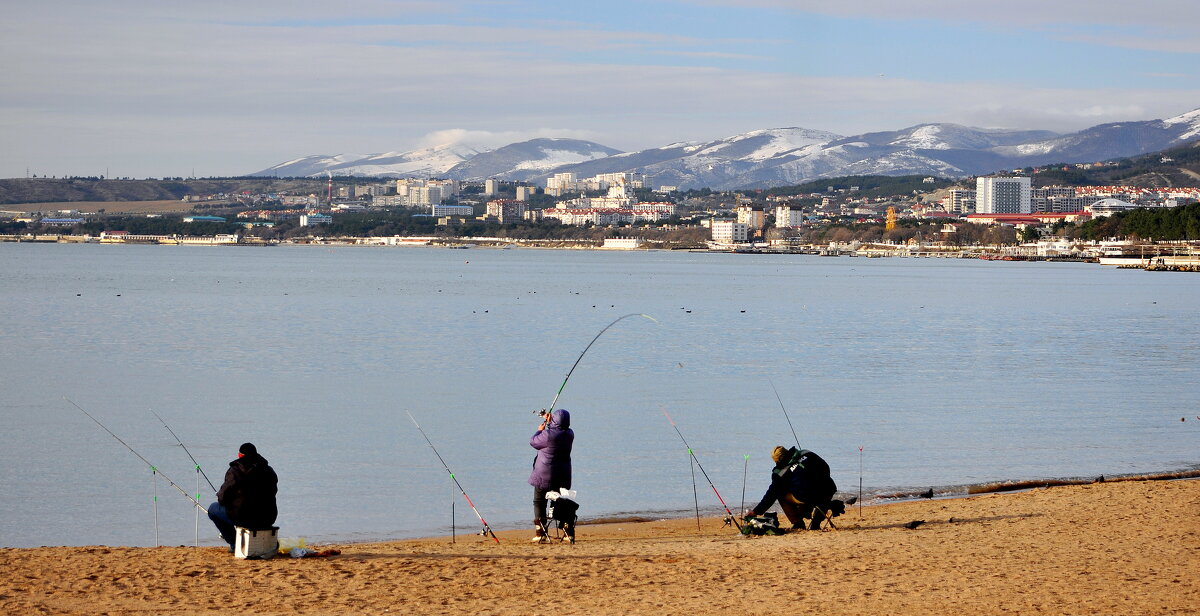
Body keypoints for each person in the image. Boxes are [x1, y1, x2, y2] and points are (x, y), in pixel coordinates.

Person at [746, 445, 837, 530]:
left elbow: (771, 494)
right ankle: (816, 523)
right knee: (822, 492)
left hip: (808, 498)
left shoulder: (780, 473)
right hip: (828, 489)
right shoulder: (807, 453)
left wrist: (756, 511)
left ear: (777, 461)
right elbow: (825, 467)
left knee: (780, 493)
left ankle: (798, 523)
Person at [207, 442, 278, 550]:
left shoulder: (235, 471)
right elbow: (273, 491)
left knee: (213, 509)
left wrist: (221, 497)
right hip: (268, 517)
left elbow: (223, 497)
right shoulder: (269, 470)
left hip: (243, 518)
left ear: (240, 455)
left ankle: (235, 544)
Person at [528, 408, 574, 543]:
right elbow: (558, 429)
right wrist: (550, 423)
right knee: (562, 502)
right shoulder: (570, 434)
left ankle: (540, 533)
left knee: (539, 502)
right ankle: (568, 532)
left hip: (544, 476)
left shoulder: (547, 435)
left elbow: (533, 441)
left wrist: (540, 430)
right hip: (563, 476)